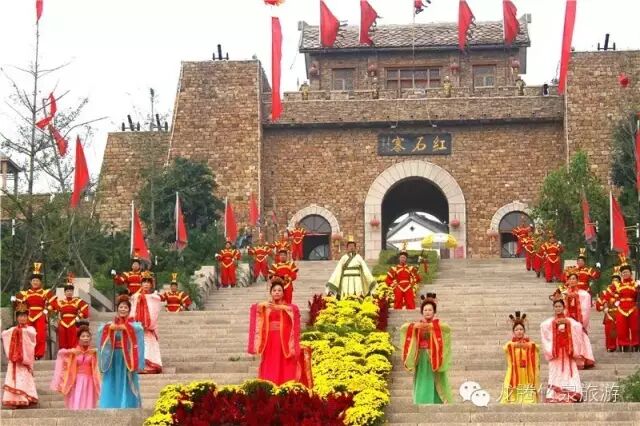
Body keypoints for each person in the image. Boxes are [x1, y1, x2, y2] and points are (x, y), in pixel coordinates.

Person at [247, 277, 308, 385]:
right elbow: (254, 309)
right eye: (274, 290)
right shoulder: (266, 306)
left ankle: (286, 384)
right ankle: (270, 384)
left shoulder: (289, 307)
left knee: (284, 363)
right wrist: (261, 305)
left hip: (284, 340)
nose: (277, 292)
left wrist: (283, 308)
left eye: (279, 290)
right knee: (270, 362)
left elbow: (295, 312)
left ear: (283, 293)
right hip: (270, 341)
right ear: (271, 293)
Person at [399, 293, 453, 404]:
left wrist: (432, 326)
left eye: (430, 310)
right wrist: (414, 326)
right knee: (423, 378)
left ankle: (438, 400)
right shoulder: (418, 325)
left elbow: (448, 329)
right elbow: (403, 328)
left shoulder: (438, 324)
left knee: (437, 378)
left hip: (435, 356)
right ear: (422, 312)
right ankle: (422, 400)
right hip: (422, 356)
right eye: (425, 310)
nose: (427, 312)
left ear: (434, 312)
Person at [97, 294, 145, 408]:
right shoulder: (111, 324)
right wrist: (109, 328)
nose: (123, 309)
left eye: (125, 307)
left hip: (127, 357)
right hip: (113, 357)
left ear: (129, 310)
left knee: (127, 380)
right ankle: (111, 404)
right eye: (121, 307)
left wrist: (127, 327)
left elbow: (140, 329)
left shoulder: (134, 325)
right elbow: (100, 330)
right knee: (112, 379)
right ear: (117, 309)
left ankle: (127, 404)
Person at [540, 297, 583, 403]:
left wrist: (568, 324)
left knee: (569, 372)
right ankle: (555, 394)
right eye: (556, 306)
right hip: (556, 353)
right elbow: (543, 327)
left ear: (564, 307)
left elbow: (578, 327)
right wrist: (554, 325)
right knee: (555, 371)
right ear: (553, 308)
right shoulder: (549, 322)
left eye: (560, 306)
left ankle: (571, 394)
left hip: (567, 352)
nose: (558, 308)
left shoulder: (570, 321)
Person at [50, 321, 101, 409]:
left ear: (90, 338)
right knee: (76, 402)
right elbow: (60, 353)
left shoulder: (93, 352)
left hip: (90, 381)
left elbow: (104, 354)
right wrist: (71, 352)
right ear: (79, 338)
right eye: (83, 336)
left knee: (88, 403)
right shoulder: (74, 352)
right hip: (76, 380)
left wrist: (97, 352)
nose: (85, 338)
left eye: (88, 336)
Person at [12, 262, 57, 360]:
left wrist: (46, 310)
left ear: (40, 282)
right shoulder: (25, 293)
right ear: (30, 282)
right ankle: (28, 353)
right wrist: (14, 300)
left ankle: (38, 354)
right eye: (33, 280)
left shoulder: (45, 292)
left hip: (40, 314)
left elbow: (53, 303)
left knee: (40, 336)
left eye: (37, 280)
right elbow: (19, 304)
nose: (35, 282)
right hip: (29, 315)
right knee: (27, 335)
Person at [1, 302, 38, 408]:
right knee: (14, 379)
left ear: (27, 317)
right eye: (20, 316)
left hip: (24, 360)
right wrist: (15, 331)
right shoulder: (13, 329)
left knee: (24, 378)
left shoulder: (30, 330)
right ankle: (13, 400)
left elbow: (32, 338)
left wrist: (21, 332)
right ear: (17, 318)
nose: (22, 318)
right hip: (14, 361)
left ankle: (26, 398)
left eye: (24, 316)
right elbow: (4, 334)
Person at [600, 256, 639, 352]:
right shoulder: (617, 285)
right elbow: (606, 294)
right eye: (623, 272)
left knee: (635, 328)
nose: (625, 274)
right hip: (621, 309)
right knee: (622, 329)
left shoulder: (636, 284)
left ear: (631, 273)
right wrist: (606, 303)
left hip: (633, 308)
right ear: (621, 274)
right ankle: (624, 344)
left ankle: (636, 344)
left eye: (627, 272)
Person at [499, 311, 540, 404]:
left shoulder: (529, 344)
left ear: (524, 331)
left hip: (526, 370)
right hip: (514, 370)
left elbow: (537, 347)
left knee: (526, 384)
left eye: (521, 329)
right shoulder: (510, 344)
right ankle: (512, 398)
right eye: (516, 329)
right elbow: (505, 348)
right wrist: (516, 345)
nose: (519, 331)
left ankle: (527, 398)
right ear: (513, 332)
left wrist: (527, 345)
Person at [130, 271, 163, 373]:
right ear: (141, 284)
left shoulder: (155, 298)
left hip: (149, 328)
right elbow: (132, 311)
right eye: (144, 282)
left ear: (151, 284)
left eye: (148, 282)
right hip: (137, 327)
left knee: (149, 345)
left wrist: (149, 324)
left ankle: (149, 366)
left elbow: (154, 313)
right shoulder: (135, 297)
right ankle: (139, 366)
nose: (146, 284)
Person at [562, 273, 595, 369]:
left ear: (577, 281)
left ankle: (581, 360)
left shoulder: (584, 294)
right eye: (570, 279)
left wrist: (582, 322)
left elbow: (586, 309)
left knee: (580, 338)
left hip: (578, 320)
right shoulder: (563, 293)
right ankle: (567, 360)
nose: (572, 281)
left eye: (574, 279)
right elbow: (560, 307)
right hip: (567, 319)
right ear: (567, 281)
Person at [49, 273, 90, 350]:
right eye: (67, 291)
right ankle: (63, 354)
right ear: (64, 293)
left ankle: (73, 354)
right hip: (63, 323)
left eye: (71, 291)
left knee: (73, 341)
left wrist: (78, 317)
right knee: (62, 341)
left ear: (73, 292)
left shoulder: (77, 301)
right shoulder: (60, 302)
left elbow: (85, 309)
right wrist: (48, 310)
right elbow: (52, 306)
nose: (69, 292)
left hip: (73, 322)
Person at [385, 245, 421, 309]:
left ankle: (411, 315)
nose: (402, 259)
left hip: (408, 287)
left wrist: (414, 277)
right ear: (399, 258)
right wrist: (394, 286)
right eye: (401, 257)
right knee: (397, 302)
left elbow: (418, 278)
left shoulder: (410, 268)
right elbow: (387, 279)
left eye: (404, 257)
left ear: (406, 259)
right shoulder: (394, 269)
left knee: (410, 303)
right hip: (399, 287)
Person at [595, 267, 620, 353]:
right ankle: (610, 346)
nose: (615, 282)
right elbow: (598, 305)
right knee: (609, 332)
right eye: (613, 280)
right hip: (609, 314)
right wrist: (603, 307)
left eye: (617, 280)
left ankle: (621, 345)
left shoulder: (622, 291)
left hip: (620, 314)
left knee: (621, 331)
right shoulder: (605, 292)